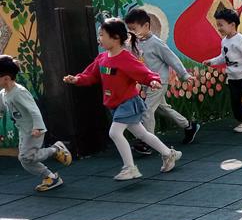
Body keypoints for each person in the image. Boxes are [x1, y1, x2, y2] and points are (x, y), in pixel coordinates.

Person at [63, 18, 182, 181]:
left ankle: (130, 168)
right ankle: (169, 153)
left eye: (102, 35)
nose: (99, 38)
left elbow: (144, 72)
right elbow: (90, 75)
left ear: (116, 38)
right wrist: (77, 79)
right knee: (142, 133)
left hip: (128, 103)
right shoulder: (102, 58)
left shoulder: (125, 58)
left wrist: (153, 81)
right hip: (115, 104)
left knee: (115, 132)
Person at [125, 8, 200, 150]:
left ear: (146, 25)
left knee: (146, 110)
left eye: (133, 29)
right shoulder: (134, 42)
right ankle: (189, 126)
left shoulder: (156, 43)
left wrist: (184, 75)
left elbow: (172, 59)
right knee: (163, 109)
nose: (131, 32)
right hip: (147, 82)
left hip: (159, 82)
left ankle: (147, 142)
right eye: (129, 29)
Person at [0, 55, 71, 192]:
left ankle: (55, 149)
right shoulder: (4, 93)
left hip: (33, 130)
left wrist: (38, 127)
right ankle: (50, 177)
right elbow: (2, 106)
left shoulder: (19, 92)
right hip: (23, 130)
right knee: (25, 160)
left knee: (26, 157)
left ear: (6, 78)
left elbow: (34, 110)